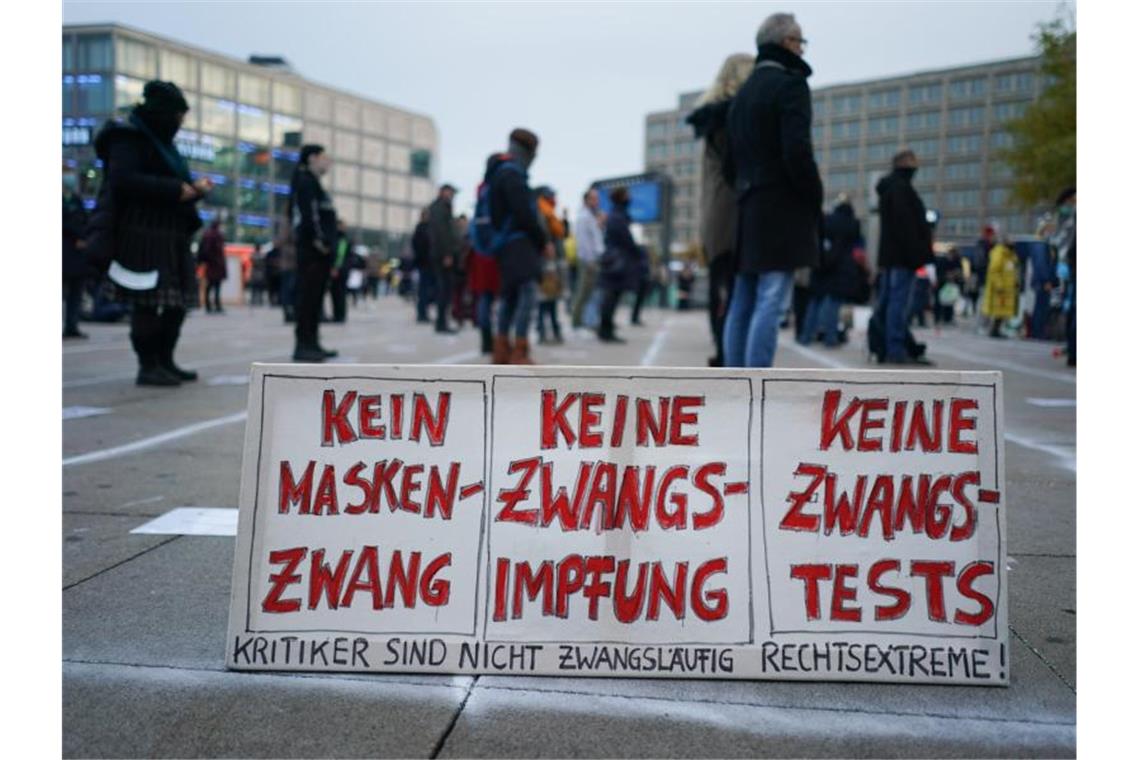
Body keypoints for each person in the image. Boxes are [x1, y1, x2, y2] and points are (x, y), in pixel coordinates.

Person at [88, 80, 212, 386]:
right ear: (164, 113)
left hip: (172, 233)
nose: (180, 123)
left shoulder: (163, 144)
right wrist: (175, 189)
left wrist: (193, 191)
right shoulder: (127, 138)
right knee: (146, 302)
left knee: (177, 303)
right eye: (178, 115)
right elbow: (124, 179)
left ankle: (165, 359)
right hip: (141, 232)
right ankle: (148, 364)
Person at [723, 12, 822, 367]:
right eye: (800, 42)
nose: (802, 50)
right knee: (771, 297)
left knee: (743, 297)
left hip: (749, 204)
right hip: (781, 204)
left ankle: (734, 377)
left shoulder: (743, 94)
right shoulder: (791, 85)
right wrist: (813, 196)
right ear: (786, 44)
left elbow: (728, 162)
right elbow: (797, 150)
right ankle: (756, 380)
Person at [687, 52, 753, 366]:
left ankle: (723, 348)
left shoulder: (711, 117)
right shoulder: (730, 118)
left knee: (720, 285)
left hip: (714, 210)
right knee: (731, 288)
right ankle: (728, 351)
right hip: (730, 209)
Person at [484, 128, 552, 364]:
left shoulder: (497, 173)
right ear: (528, 151)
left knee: (510, 297)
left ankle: (501, 349)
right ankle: (519, 351)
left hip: (503, 244)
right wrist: (543, 241)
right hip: (519, 245)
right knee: (527, 294)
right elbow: (524, 214)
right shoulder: (512, 175)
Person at [875, 149, 934, 364]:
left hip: (895, 256)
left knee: (891, 302)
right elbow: (906, 226)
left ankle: (891, 345)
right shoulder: (900, 189)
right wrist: (917, 253)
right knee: (898, 304)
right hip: (902, 257)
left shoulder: (893, 188)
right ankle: (895, 347)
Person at [289, 143, 338, 362]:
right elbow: (309, 216)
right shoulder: (305, 181)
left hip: (318, 251)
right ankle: (303, 344)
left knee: (315, 298)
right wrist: (320, 242)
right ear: (312, 158)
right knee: (307, 297)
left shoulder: (313, 182)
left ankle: (312, 341)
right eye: (323, 157)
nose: (327, 162)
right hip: (312, 251)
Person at [799, 196, 862, 347]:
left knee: (815, 302)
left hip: (821, 265)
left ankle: (806, 335)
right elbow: (857, 248)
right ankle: (830, 337)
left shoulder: (827, 220)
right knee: (833, 304)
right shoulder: (852, 223)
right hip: (841, 268)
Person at [597, 186, 641, 343]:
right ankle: (605, 330)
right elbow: (626, 240)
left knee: (612, 297)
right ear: (622, 197)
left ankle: (606, 329)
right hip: (617, 262)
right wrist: (637, 252)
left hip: (616, 261)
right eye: (627, 194)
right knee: (611, 297)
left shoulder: (617, 215)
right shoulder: (617, 216)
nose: (630, 197)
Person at [535, 187, 566, 344]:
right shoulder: (542, 211)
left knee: (551, 297)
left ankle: (552, 329)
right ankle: (544, 330)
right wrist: (547, 244)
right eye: (552, 195)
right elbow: (543, 235)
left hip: (551, 261)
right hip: (545, 261)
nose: (554, 198)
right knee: (545, 297)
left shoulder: (549, 212)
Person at [570, 188, 605, 329]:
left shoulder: (591, 216)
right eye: (593, 198)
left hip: (593, 259)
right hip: (588, 260)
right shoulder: (584, 217)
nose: (597, 201)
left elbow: (596, 238)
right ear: (586, 200)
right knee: (583, 291)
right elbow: (583, 242)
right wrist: (589, 260)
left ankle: (584, 320)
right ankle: (577, 321)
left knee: (589, 292)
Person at [428, 183, 460, 334]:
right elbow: (442, 233)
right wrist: (447, 253)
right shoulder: (440, 207)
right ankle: (441, 323)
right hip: (442, 255)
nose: (452, 195)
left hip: (442, 253)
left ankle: (442, 322)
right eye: (450, 192)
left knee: (446, 289)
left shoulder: (441, 207)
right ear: (443, 192)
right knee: (444, 290)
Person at [62, 169, 90, 339]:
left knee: (76, 292)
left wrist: (85, 238)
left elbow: (86, 221)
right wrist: (76, 237)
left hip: (78, 254)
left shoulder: (77, 200)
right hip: (64, 250)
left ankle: (72, 326)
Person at [1051, 187, 1076, 366]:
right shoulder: (1071, 217)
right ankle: (1073, 351)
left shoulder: (1074, 217)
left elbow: (1065, 243)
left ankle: (1073, 351)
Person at [981, 231, 1019, 339]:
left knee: (1003, 311)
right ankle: (993, 330)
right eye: (1011, 239)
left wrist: (1015, 283)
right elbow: (994, 270)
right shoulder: (999, 252)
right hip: (1000, 289)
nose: (1013, 242)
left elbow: (1012, 270)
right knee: (998, 311)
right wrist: (999, 285)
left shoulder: (1010, 254)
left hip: (1008, 288)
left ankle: (996, 330)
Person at [197, 219, 227, 313]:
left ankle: (210, 305)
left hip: (212, 264)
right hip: (215, 264)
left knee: (211, 285)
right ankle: (214, 305)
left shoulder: (208, 235)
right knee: (215, 285)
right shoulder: (215, 235)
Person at [411, 208, 433, 323]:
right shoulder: (422, 228)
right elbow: (419, 246)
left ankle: (423, 313)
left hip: (426, 263)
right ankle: (422, 314)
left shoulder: (424, 228)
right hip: (424, 264)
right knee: (424, 290)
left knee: (425, 290)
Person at [329, 218, 350, 323]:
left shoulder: (342, 239)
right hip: (340, 270)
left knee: (339, 294)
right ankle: (337, 315)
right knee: (336, 294)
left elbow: (340, 255)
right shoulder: (339, 237)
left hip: (340, 271)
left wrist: (335, 268)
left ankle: (339, 316)